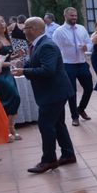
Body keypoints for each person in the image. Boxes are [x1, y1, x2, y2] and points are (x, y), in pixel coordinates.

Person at [11, 17, 76, 173]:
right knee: (58, 123)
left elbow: (48, 70)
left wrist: (24, 71)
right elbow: (37, 63)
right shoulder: (39, 44)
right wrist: (23, 65)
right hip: (55, 92)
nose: (23, 30)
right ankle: (68, 154)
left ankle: (48, 160)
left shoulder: (47, 45)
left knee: (45, 125)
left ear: (33, 29)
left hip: (53, 93)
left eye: (25, 28)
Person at [52, 7, 93, 127]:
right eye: (71, 16)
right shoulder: (59, 31)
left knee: (89, 87)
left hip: (81, 62)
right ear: (65, 16)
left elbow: (89, 42)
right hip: (67, 64)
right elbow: (55, 49)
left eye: (75, 15)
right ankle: (74, 117)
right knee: (71, 92)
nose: (74, 18)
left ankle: (81, 108)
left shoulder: (81, 28)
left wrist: (87, 47)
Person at [0, 13, 22, 141]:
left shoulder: (6, 37)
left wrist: (15, 56)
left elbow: (5, 56)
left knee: (14, 99)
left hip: (8, 72)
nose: (2, 24)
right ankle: (4, 130)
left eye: (3, 21)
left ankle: (11, 128)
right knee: (11, 98)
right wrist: (11, 62)